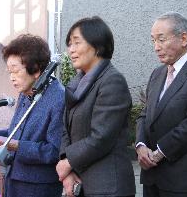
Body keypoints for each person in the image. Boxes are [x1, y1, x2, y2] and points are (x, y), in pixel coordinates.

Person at [135, 12, 187, 197]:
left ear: (183, 38)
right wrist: (140, 146)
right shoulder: (157, 73)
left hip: (183, 180)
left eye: (161, 39)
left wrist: (159, 153)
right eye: (153, 40)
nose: (156, 47)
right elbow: (145, 114)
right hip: (151, 176)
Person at [0, 34, 65, 197]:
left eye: (15, 71)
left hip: (39, 186)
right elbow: (17, 131)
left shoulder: (59, 98)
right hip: (13, 177)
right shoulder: (25, 93)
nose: (11, 78)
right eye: (9, 72)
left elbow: (54, 151)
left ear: (36, 69)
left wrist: (15, 145)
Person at [56, 16, 136, 197]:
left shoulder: (112, 81)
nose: (71, 50)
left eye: (77, 43)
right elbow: (65, 131)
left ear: (98, 46)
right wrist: (66, 164)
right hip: (80, 182)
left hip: (108, 186)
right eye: (69, 44)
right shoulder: (76, 84)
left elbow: (101, 137)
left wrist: (68, 163)